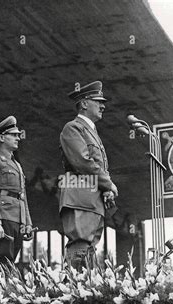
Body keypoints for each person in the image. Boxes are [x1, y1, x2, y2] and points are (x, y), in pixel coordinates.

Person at [59, 81, 118, 269]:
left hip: (92, 199)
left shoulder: (90, 131)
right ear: (84, 103)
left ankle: (83, 295)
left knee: (89, 250)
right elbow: (83, 162)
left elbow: (96, 165)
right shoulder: (73, 128)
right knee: (80, 247)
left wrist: (105, 189)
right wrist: (108, 184)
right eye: (97, 101)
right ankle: (71, 295)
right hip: (80, 196)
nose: (103, 105)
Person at [0, 116, 34, 267]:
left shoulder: (17, 165)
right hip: (3, 217)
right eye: (14, 135)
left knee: (10, 265)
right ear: (2, 137)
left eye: (18, 135)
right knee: (2, 264)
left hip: (17, 219)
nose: (18, 138)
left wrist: (27, 222)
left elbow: (22, 196)